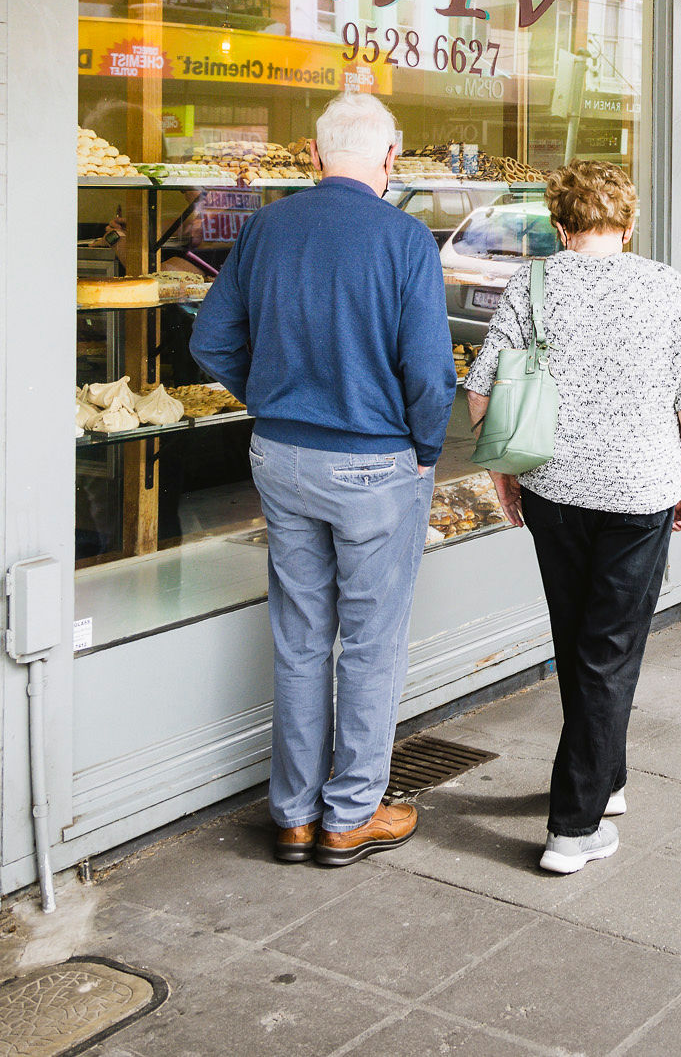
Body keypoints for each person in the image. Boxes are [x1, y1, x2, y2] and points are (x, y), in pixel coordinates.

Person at [190, 91, 454, 868]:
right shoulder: (406, 239)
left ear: (312, 157)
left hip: (280, 455)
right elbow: (431, 374)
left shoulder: (268, 228)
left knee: (301, 639)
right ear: (390, 157)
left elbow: (211, 340)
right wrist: (426, 450)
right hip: (376, 463)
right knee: (371, 645)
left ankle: (295, 816)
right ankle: (350, 816)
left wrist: (272, 395)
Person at [466, 162, 681, 875]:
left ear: (561, 225)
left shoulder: (533, 283)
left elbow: (482, 393)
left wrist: (505, 477)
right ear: (629, 223)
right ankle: (573, 829)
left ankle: (606, 781)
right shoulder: (664, 284)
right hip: (640, 495)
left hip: (556, 490)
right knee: (608, 650)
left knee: (580, 641)